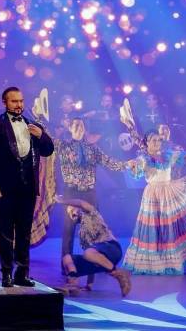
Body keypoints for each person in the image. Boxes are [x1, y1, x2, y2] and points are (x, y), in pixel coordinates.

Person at [122, 130, 186, 275]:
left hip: (168, 192)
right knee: (154, 228)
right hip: (153, 195)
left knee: (168, 227)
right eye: (153, 140)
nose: (157, 143)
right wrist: (131, 165)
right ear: (147, 143)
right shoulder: (144, 159)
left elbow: (185, 155)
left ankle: (170, 261)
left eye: (159, 140)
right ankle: (153, 262)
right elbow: (136, 167)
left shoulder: (167, 155)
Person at [0, 87, 55, 287]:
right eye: (14, 101)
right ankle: (6, 273)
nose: (19, 105)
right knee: (6, 232)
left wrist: (42, 135)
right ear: (4, 102)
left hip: (27, 189)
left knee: (24, 232)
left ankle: (22, 274)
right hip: (5, 188)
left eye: (21, 101)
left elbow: (48, 150)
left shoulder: (32, 125)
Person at [55, 116, 128, 281]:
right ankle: (66, 269)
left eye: (81, 126)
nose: (79, 129)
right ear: (71, 129)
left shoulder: (92, 149)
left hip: (89, 193)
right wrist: (39, 118)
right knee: (68, 231)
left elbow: (110, 162)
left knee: (92, 232)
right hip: (71, 192)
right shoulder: (63, 146)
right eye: (76, 126)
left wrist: (127, 165)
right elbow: (44, 138)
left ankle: (91, 273)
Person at [56, 197, 132, 297]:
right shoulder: (82, 234)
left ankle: (119, 274)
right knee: (67, 258)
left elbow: (81, 202)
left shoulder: (91, 214)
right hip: (100, 259)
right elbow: (92, 258)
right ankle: (72, 285)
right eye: (70, 212)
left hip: (111, 249)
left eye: (73, 208)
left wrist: (63, 201)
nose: (72, 212)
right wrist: (89, 284)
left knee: (88, 253)